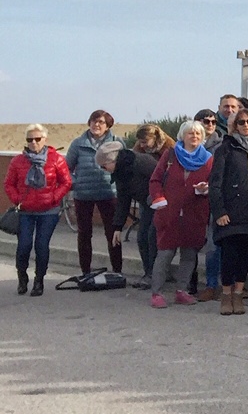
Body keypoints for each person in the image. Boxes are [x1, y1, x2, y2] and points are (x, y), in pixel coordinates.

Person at [147, 119, 214, 309]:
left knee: (189, 255)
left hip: (195, 214)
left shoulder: (208, 159)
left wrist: (205, 189)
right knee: (165, 254)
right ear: (182, 136)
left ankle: (181, 291)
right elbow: (155, 180)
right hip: (169, 213)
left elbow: (212, 184)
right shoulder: (170, 155)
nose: (194, 137)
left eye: (198, 134)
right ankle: (157, 293)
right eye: (190, 133)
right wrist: (159, 199)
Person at [209, 110, 248, 315]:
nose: (245, 125)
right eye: (241, 122)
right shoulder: (226, 148)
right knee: (229, 255)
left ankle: (239, 294)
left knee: (244, 255)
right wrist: (219, 211)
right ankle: (226, 294)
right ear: (235, 126)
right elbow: (215, 183)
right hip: (230, 210)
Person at [6, 124, 72, 296]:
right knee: (24, 246)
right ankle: (22, 277)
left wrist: (53, 197)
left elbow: (66, 182)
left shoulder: (56, 159)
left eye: (37, 139)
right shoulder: (18, 161)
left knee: (42, 246)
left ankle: (39, 280)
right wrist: (18, 200)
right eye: (30, 139)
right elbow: (9, 184)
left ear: (45, 140)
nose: (33, 143)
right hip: (25, 211)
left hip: (48, 210)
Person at [111, 123, 171, 287]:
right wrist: (118, 225)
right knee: (142, 236)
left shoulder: (168, 148)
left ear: (154, 138)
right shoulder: (136, 154)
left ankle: (155, 274)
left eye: (145, 142)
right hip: (146, 201)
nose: (142, 145)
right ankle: (149, 272)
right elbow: (124, 197)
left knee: (152, 236)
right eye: (140, 142)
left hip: (161, 199)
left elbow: (162, 177)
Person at [66, 110, 121, 276]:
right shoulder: (78, 144)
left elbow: (125, 165)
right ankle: (85, 271)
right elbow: (66, 169)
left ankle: (117, 271)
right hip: (83, 195)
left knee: (113, 233)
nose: (97, 125)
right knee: (84, 233)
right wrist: (76, 183)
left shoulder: (117, 142)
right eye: (94, 121)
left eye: (101, 122)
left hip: (109, 194)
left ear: (108, 125)